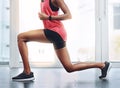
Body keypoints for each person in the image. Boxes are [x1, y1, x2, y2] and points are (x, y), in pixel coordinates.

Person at [12, 0, 112, 81]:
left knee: (21, 37)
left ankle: (27, 72)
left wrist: (48, 17)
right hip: (56, 33)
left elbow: (69, 15)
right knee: (69, 68)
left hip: (56, 32)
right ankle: (102, 65)